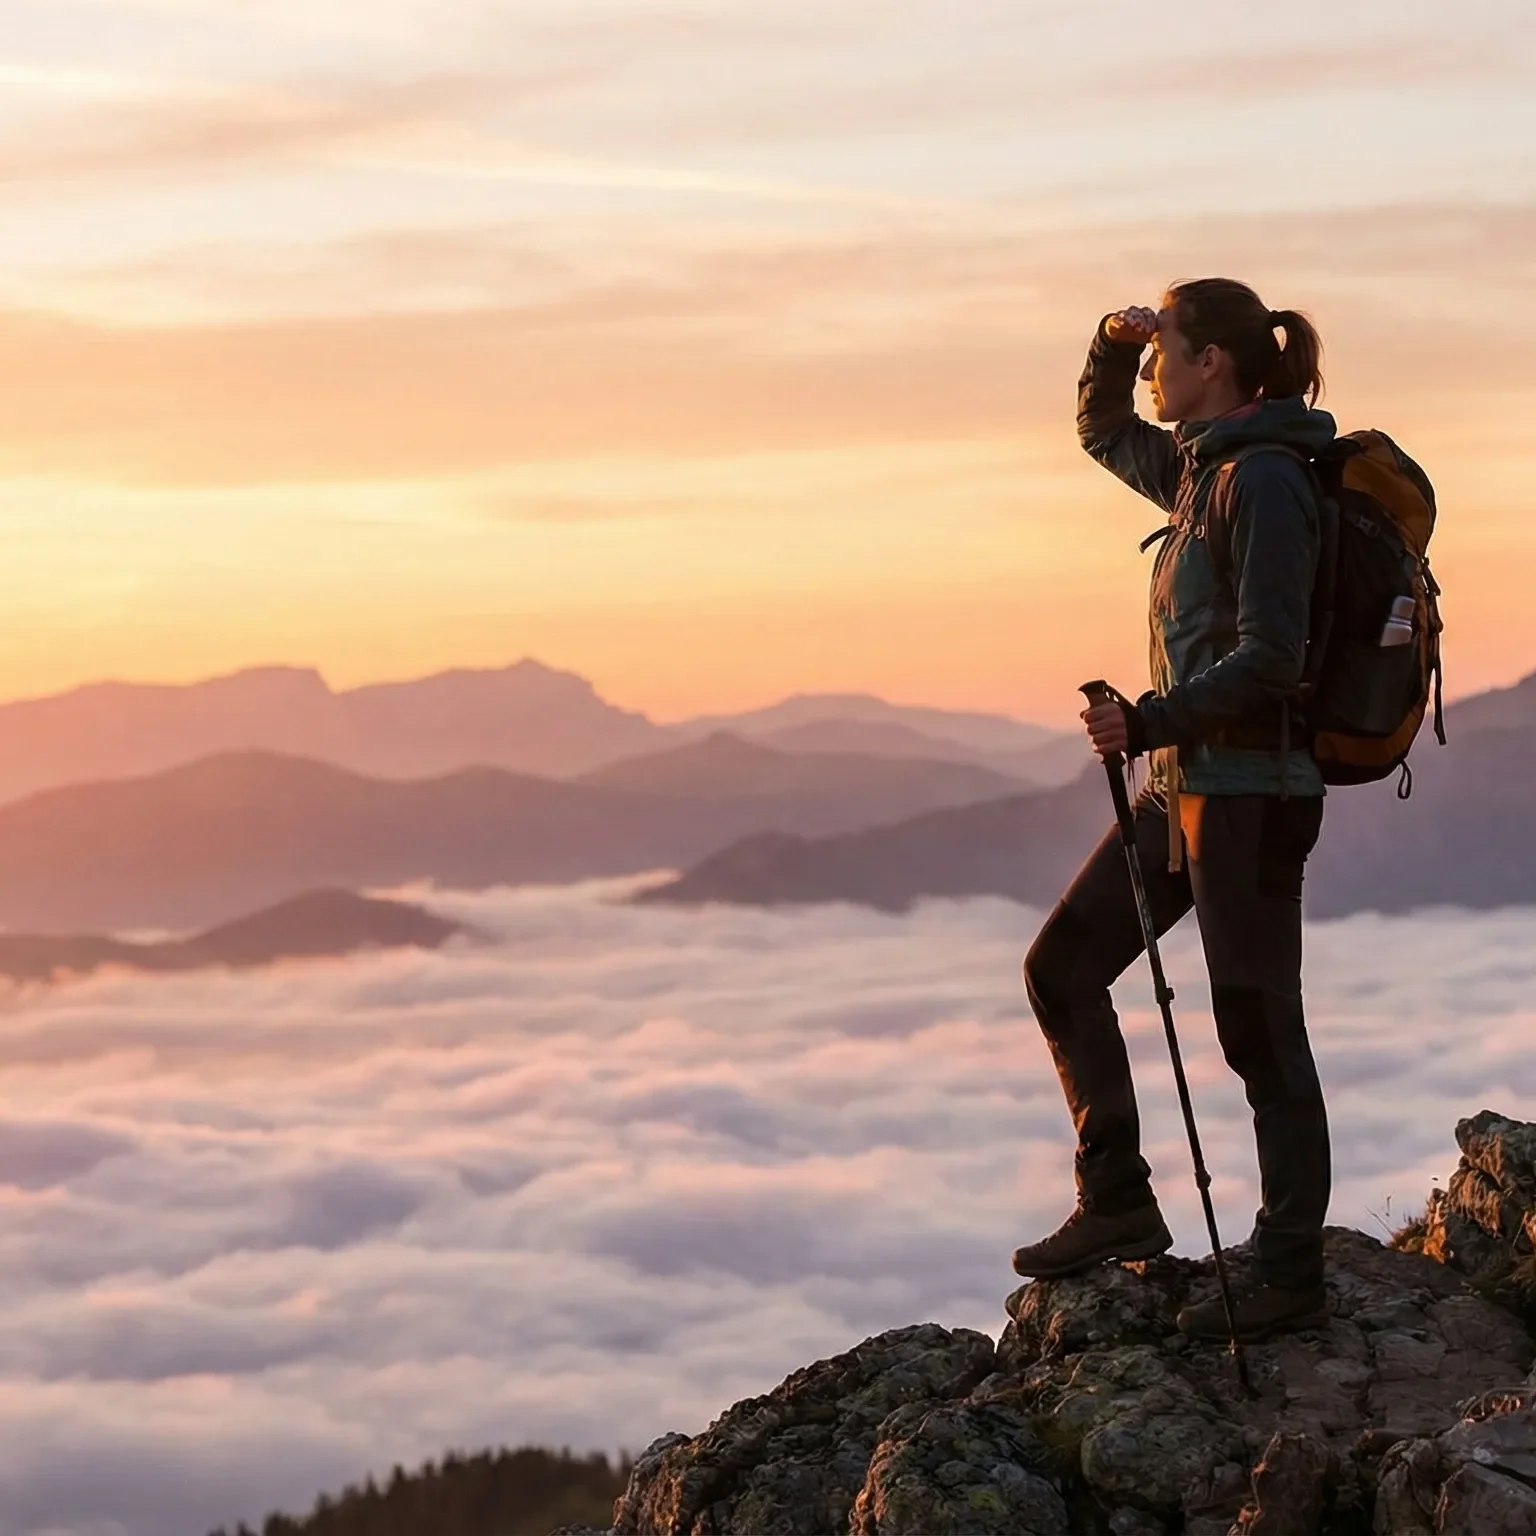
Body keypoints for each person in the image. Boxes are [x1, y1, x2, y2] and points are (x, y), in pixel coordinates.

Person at [1011, 278, 1336, 1341]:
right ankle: (1118, 1204)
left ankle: (1288, 1268)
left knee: (1257, 1030)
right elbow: (1102, 427)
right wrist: (1111, 336)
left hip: (1248, 798)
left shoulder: (1267, 485)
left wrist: (1149, 720)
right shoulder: (1196, 475)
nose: (1154, 370)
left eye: (1166, 351)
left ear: (1215, 367)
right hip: (1185, 790)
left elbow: (1273, 660)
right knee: (1061, 968)